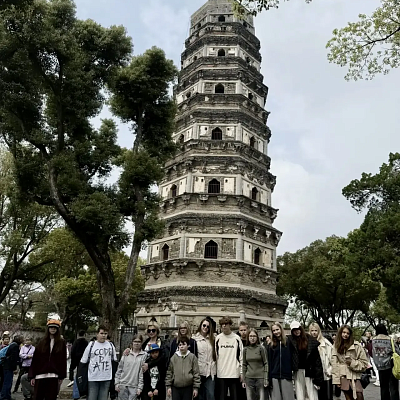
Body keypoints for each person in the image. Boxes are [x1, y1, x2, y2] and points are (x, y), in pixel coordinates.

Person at [29, 320, 67, 400]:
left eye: (55, 328)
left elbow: (63, 360)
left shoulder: (61, 343)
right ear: (48, 329)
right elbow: (35, 359)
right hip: (40, 375)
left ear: (58, 329)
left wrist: (62, 376)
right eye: (51, 327)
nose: (53, 329)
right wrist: (32, 375)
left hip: (53, 375)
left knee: (51, 397)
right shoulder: (41, 342)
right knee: (38, 397)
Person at [332, 325, 369, 400]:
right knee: (348, 397)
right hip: (343, 375)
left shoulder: (357, 346)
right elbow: (334, 364)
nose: (345, 335)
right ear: (340, 333)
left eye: (347, 333)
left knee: (359, 396)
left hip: (355, 376)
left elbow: (364, 363)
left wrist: (352, 363)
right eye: (344, 332)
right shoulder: (336, 346)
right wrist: (336, 380)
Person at [80, 325, 117, 400]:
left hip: (106, 377)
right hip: (93, 378)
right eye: (101, 333)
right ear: (97, 334)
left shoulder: (110, 345)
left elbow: (114, 360)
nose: (103, 335)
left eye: (105, 334)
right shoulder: (91, 345)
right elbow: (83, 361)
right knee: (92, 397)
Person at [288, 321, 324, 400]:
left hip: (309, 371)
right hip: (298, 371)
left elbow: (317, 361)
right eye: (294, 330)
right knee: (299, 393)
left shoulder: (310, 340)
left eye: (298, 329)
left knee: (312, 394)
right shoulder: (291, 341)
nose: (296, 331)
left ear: (301, 328)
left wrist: (318, 377)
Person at [215, 316, 243, 400]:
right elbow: (215, 355)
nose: (224, 326)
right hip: (221, 373)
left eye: (226, 324)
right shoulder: (218, 338)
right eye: (222, 324)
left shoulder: (237, 338)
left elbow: (241, 356)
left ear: (230, 325)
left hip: (234, 373)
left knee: (235, 397)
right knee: (222, 397)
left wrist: (241, 372)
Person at [371, 323, 400, 400]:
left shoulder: (373, 340)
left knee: (383, 388)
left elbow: (372, 353)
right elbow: (397, 351)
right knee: (393, 388)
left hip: (380, 366)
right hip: (391, 365)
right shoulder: (390, 339)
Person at [267, 322, 294, 400]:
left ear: (281, 329)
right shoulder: (271, 344)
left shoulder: (288, 342)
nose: (276, 332)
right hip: (274, 375)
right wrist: (269, 377)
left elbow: (292, 356)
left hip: (286, 374)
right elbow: (269, 361)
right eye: (274, 330)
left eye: (277, 329)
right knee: (276, 398)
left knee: (288, 397)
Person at [115, 334, 147, 400]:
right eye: (135, 341)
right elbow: (119, 369)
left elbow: (142, 373)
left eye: (139, 342)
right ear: (132, 342)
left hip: (134, 385)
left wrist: (140, 387)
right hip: (123, 384)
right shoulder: (126, 354)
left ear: (141, 343)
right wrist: (116, 383)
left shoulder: (144, 355)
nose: (137, 343)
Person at [241, 328, 268, 400]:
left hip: (260, 378)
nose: (252, 338)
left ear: (257, 337)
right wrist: (244, 380)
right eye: (250, 336)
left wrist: (266, 378)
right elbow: (244, 365)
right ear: (248, 337)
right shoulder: (245, 349)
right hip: (249, 378)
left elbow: (266, 363)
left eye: (254, 336)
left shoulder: (261, 348)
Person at [193, 317, 216, 400]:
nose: (205, 328)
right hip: (199, 371)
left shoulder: (213, 338)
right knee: (200, 396)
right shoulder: (194, 339)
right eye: (204, 325)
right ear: (201, 326)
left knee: (210, 395)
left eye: (208, 326)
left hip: (210, 372)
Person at [309, 323, 333, 400]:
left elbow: (333, 359)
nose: (314, 333)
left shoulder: (325, 343)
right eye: (312, 330)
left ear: (319, 331)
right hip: (313, 376)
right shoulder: (307, 343)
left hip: (325, 375)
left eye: (316, 330)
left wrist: (329, 371)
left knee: (326, 396)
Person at [0, 335, 23, 400]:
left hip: (5, 365)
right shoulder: (15, 346)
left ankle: (6, 395)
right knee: (7, 382)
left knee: (6, 382)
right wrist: (15, 368)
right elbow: (13, 358)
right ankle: (5, 397)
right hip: (8, 367)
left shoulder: (12, 345)